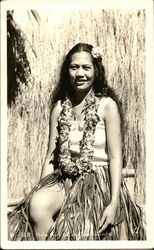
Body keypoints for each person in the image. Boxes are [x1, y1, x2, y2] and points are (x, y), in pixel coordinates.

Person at [8, 43, 145, 241]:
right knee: (37, 206)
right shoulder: (59, 108)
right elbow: (50, 156)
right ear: (67, 71)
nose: (80, 73)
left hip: (100, 182)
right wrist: (39, 189)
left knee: (88, 229)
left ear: (95, 71)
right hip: (65, 178)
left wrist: (114, 202)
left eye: (86, 67)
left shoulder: (107, 107)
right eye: (74, 67)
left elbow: (116, 157)